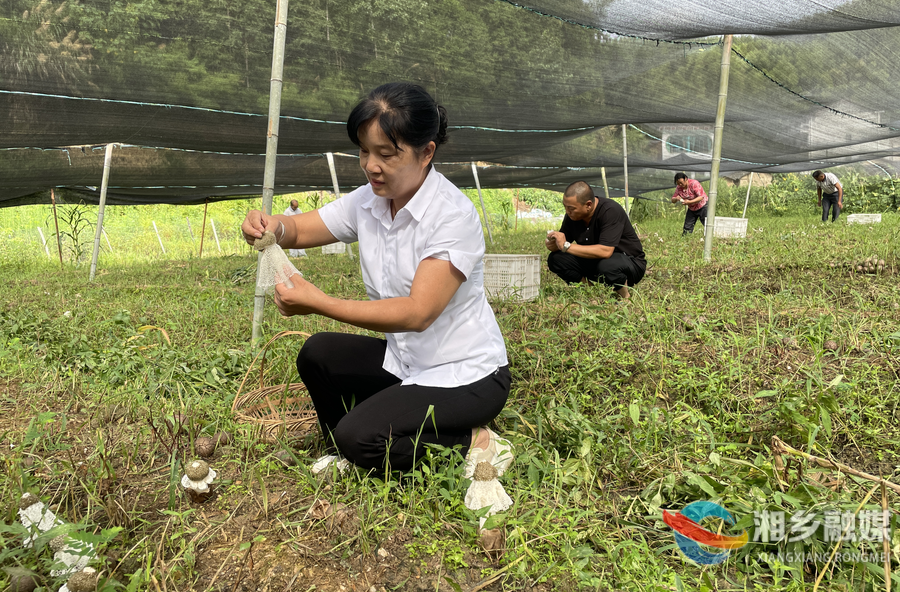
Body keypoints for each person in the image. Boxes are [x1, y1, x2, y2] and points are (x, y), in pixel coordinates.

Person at [241, 82, 512, 477]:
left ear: (426, 153)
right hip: (405, 362)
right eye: (364, 151)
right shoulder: (367, 201)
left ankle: (475, 440)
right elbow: (299, 230)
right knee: (317, 354)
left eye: (386, 154)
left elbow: (418, 313)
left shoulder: (452, 216)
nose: (371, 165)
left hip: (466, 374)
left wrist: (319, 302)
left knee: (360, 436)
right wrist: (271, 226)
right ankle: (355, 452)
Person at [545, 181, 646, 299]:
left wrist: (566, 246)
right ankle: (591, 293)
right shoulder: (572, 216)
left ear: (588, 205)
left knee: (607, 265)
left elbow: (605, 251)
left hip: (629, 263)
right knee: (556, 259)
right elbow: (563, 242)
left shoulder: (610, 211)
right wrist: (554, 244)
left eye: (571, 208)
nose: (567, 212)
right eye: (565, 207)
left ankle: (625, 297)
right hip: (597, 262)